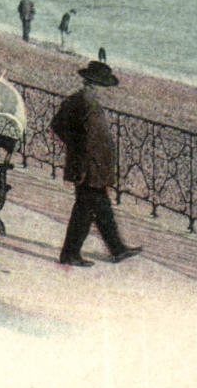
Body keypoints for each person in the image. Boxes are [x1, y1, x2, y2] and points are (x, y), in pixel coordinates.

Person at [51, 60, 142, 267]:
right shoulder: (86, 103)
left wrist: (74, 146)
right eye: (106, 87)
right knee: (84, 210)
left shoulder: (80, 100)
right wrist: (76, 149)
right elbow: (64, 128)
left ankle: (117, 248)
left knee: (101, 206)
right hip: (88, 167)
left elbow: (58, 125)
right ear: (97, 85)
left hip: (93, 166)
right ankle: (70, 254)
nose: (108, 92)